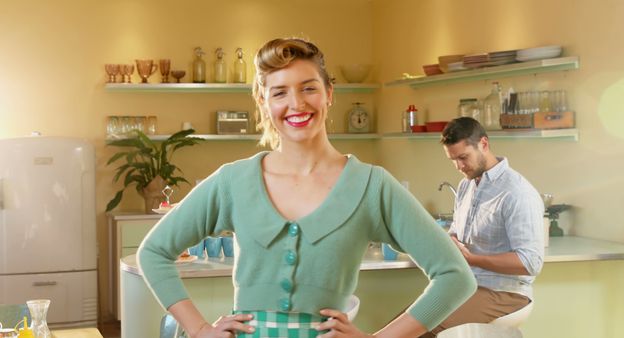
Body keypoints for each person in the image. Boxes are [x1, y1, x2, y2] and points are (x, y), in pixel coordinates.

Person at [137, 37, 476, 338]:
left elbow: (456, 277)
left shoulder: (372, 186)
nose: (296, 104)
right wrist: (198, 329)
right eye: (280, 92)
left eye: (308, 87)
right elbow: (153, 253)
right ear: (263, 102)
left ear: (329, 93)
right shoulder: (232, 182)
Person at [423, 117, 544, 337]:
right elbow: (458, 234)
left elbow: (530, 262)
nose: (459, 167)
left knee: (419, 329)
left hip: (505, 293)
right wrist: (448, 241)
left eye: (463, 157)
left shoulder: (517, 193)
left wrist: (473, 259)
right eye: (453, 160)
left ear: (484, 145)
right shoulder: (466, 185)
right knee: (401, 324)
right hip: (465, 286)